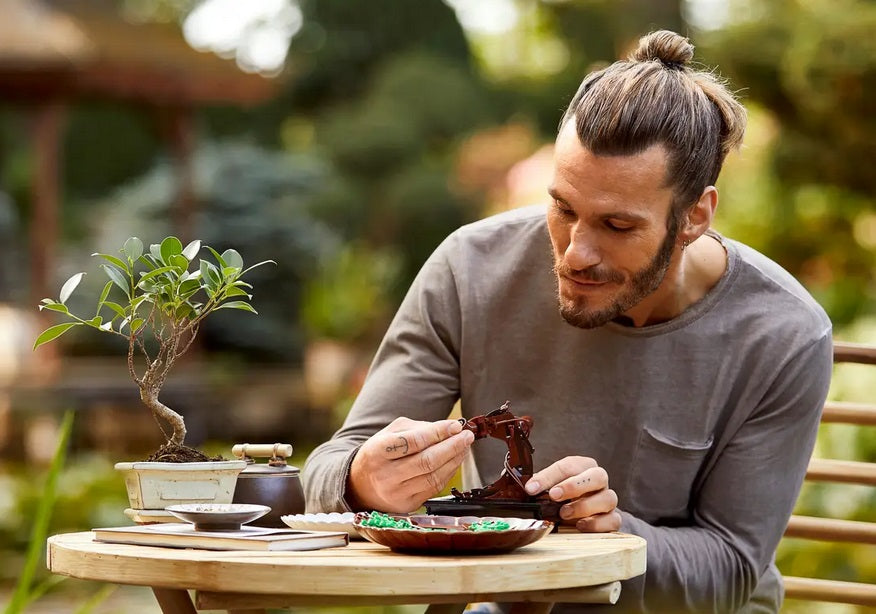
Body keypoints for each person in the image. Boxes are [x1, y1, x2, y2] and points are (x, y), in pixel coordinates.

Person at [303, 30, 833, 613]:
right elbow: (328, 470)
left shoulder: (782, 333)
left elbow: (729, 572)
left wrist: (612, 532)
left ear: (694, 216)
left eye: (618, 226)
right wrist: (361, 480)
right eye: (563, 208)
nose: (576, 252)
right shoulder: (470, 269)